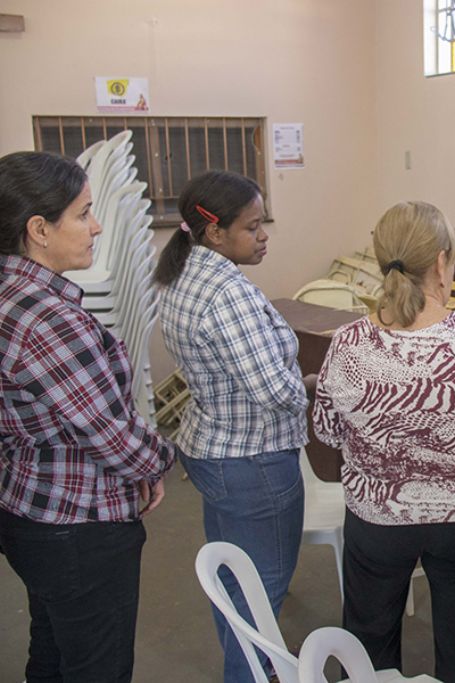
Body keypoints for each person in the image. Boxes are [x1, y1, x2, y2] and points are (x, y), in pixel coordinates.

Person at [313, 201, 455, 683]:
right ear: (441, 262)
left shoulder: (348, 343)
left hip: (378, 520)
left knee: (367, 645)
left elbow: (329, 431)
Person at [0, 151, 177, 682]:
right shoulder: (47, 318)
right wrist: (162, 458)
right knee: (96, 666)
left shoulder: (14, 295)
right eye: (82, 214)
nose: (96, 226)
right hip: (77, 524)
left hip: (30, 506)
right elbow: (113, 439)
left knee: (53, 652)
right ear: (39, 229)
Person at [155, 171, 310, 683]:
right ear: (215, 233)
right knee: (262, 591)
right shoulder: (228, 293)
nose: (263, 234)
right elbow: (274, 394)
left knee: (233, 582)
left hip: (211, 445)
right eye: (252, 226)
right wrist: (312, 388)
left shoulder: (184, 274)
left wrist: (292, 377)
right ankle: (249, 675)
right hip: (254, 460)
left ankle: (247, 668)